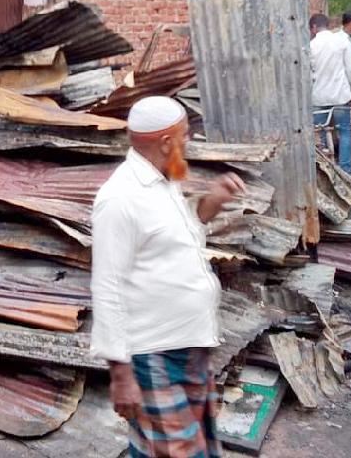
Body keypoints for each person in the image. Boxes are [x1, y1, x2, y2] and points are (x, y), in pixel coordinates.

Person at [91, 95, 245, 458]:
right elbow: (106, 286)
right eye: (184, 136)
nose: (188, 142)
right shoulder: (119, 199)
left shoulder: (164, 181)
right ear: (165, 142)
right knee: (176, 451)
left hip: (189, 345)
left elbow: (181, 235)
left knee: (187, 447)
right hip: (153, 353)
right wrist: (121, 375)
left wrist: (212, 202)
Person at [310, 12, 351, 172]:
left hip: (319, 98)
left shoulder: (310, 45)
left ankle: (325, 169)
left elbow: (308, 74)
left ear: (313, 28)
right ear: (328, 25)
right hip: (341, 96)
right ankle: (346, 170)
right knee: (345, 132)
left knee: (320, 133)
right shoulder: (341, 41)